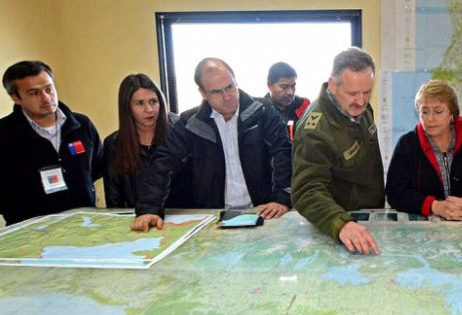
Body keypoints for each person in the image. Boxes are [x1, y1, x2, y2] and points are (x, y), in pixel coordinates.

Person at [132, 58, 292, 231]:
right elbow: (164, 163)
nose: (228, 97)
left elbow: (282, 152)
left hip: (264, 212)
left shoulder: (263, 111)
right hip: (214, 216)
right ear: (203, 93)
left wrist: (282, 198)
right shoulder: (190, 124)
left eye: (230, 87)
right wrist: (148, 209)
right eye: (217, 92)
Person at [292, 47, 384, 254]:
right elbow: (306, 190)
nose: (361, 101)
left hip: (369, 216)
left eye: (367, 92)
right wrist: (341, 223)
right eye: (352, 93)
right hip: (337, 227)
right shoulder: (314, 129)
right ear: (333, 85)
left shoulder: (359, 108)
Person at [0, 61, 103, 225]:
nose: (46, 98)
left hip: (84, 226)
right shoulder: (4, 135)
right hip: (31, 234)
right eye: (34, 93)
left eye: (49, 89)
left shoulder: (82, 125)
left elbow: (96, 167)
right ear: (15, 97)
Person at [386, 80, 462, 219]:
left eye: (438, 111)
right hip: (423, 231)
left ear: (452, 113)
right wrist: (434, 206)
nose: (430, 118)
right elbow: (395, 192)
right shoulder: (407, 144)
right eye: (424, 111)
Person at [103, 74, 190, 208]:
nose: (149, 110)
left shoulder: (180, 132)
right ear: (127, 108)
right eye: (139, 103)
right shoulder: (114, 144)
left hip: (182, 216)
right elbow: (114, 200)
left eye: (153, 101)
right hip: (138, 220)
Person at [264, 62, 310, 139]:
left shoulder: (304, 105)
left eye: (293, 86)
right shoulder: (261, 112)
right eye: (284, 87)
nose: (290, 92)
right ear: (269, 85)